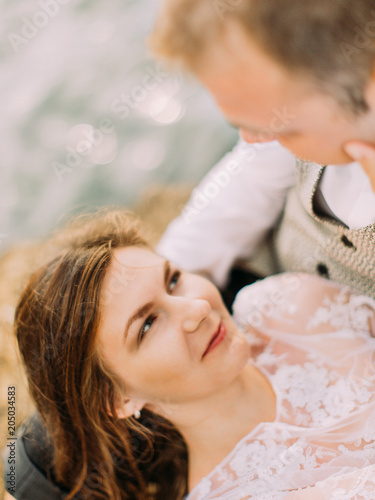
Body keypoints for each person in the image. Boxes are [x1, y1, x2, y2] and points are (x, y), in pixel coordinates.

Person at [3, 208, 375, 500]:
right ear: (117, 399)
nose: (197, 308)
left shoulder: (285, 307)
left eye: (173, 280)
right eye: (147, 325)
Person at [150, 0, 375, 299]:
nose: (253, 139)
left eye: (279, 127)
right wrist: (165, 283)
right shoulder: (307, 123)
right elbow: (243, 187)